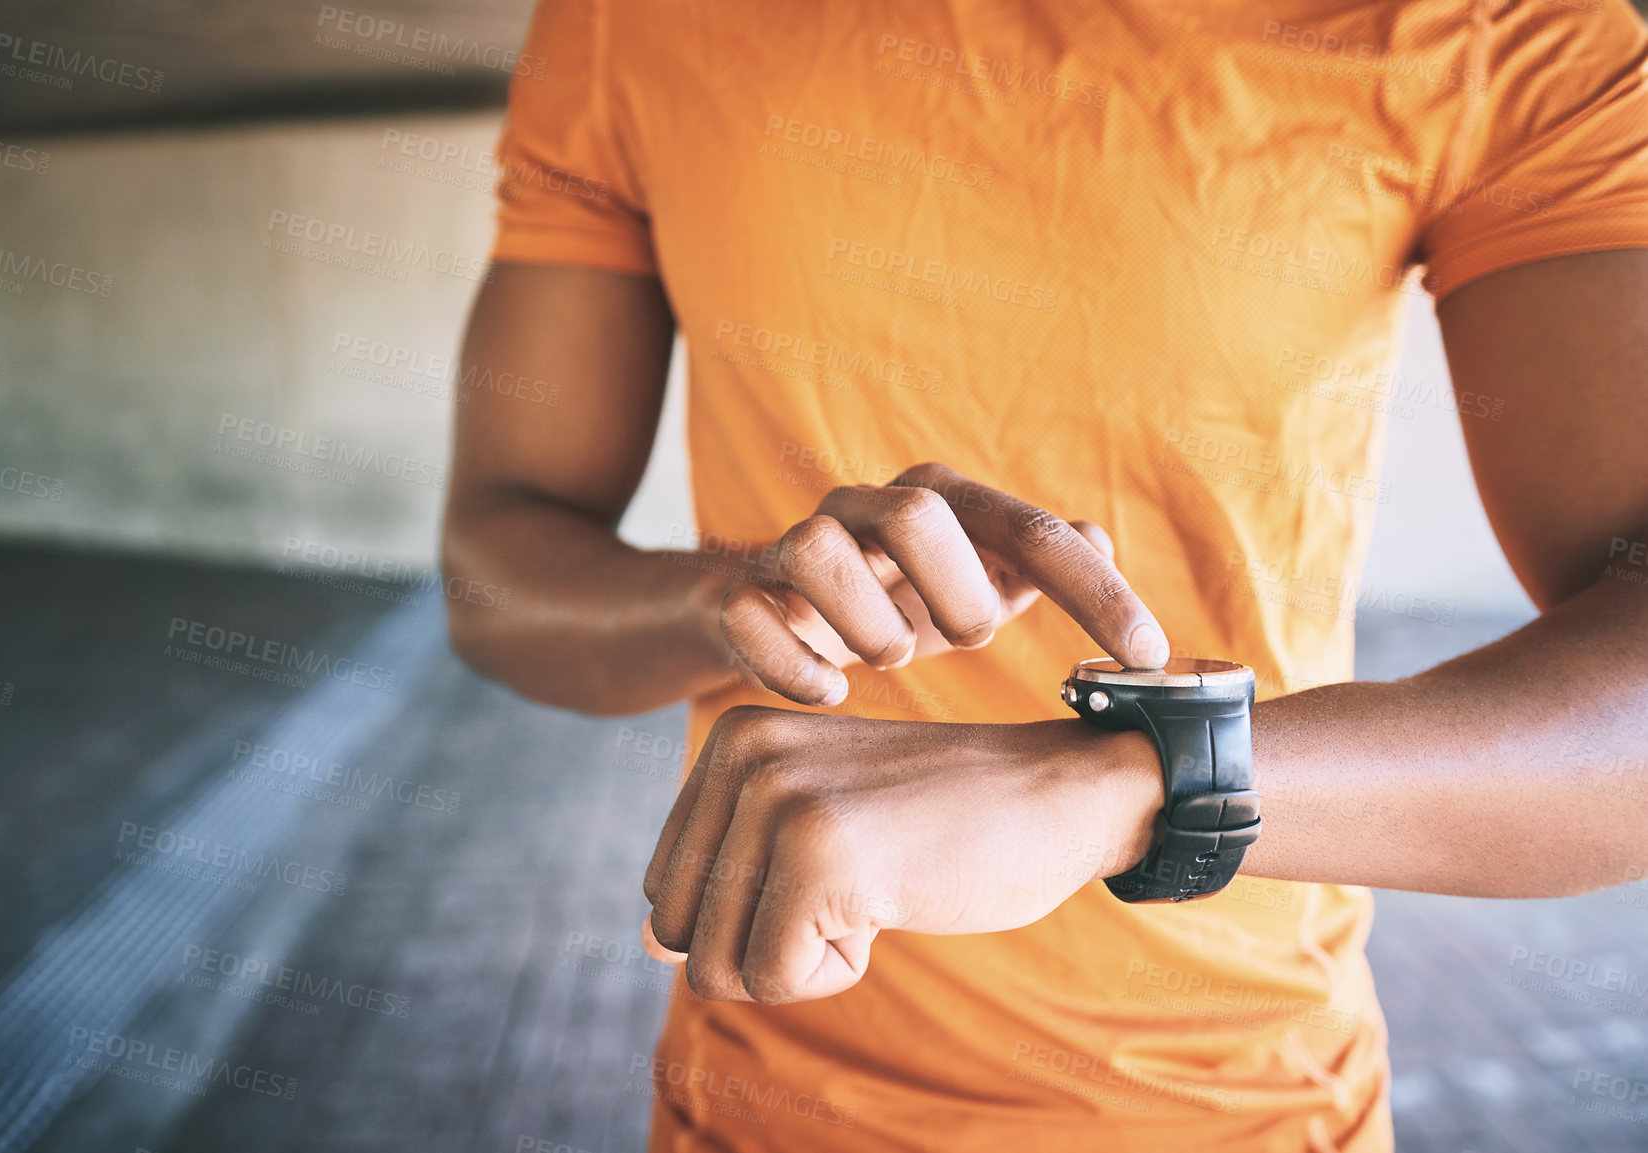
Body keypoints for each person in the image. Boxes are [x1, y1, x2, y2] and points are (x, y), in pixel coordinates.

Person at [442, 0, 1648, 1147]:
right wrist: (737, 602)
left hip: (1238, 1096)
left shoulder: (1495, 36)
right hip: (762, 1089)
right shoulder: (631, 23)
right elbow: (495, 567)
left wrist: (1117, 787)